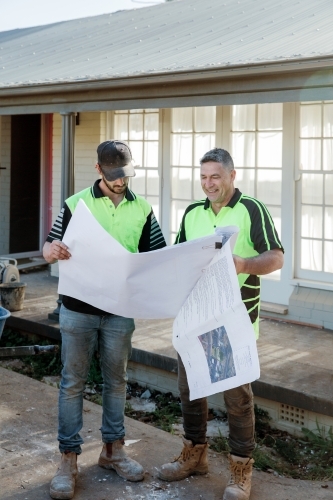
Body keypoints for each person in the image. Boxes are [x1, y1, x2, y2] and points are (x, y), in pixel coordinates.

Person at [158, 148, 284, 500]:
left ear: (232, 175)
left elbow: (276, 257)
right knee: (190, 388)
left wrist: (243, 263)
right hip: (194, 315)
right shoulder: (193, 212)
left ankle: (241, 470)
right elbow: (181, 257)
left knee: (237, 398)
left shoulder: (251, 209)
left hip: (234, 319)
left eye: (215, 176)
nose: (208, 183)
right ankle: (194, 457)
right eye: (203, 177)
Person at [43, 140, 166, 500]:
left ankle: (113, 451)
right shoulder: (74, 204)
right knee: (72, 383)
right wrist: (50, 250)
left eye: (126, 175)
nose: (120, 182)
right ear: (99, 170)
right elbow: (50, 246)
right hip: (77, 310)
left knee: (116, 382)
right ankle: (68, 459)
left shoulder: (142, 208)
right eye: (113, 176)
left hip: (119, 311)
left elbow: (155, 256)